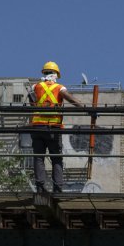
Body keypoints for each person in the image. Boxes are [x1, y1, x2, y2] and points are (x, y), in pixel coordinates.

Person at [29, 60, 82, 193]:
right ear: (56, 74)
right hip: (53, 128)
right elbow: (71, 100)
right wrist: (87, 109)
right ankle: (57, 189)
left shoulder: (35, 87)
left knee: (38, 157)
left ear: (44, 73)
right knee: (56, 158)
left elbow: (32, 104)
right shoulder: (60, 88)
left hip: (37, 127)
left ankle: (40, 187)